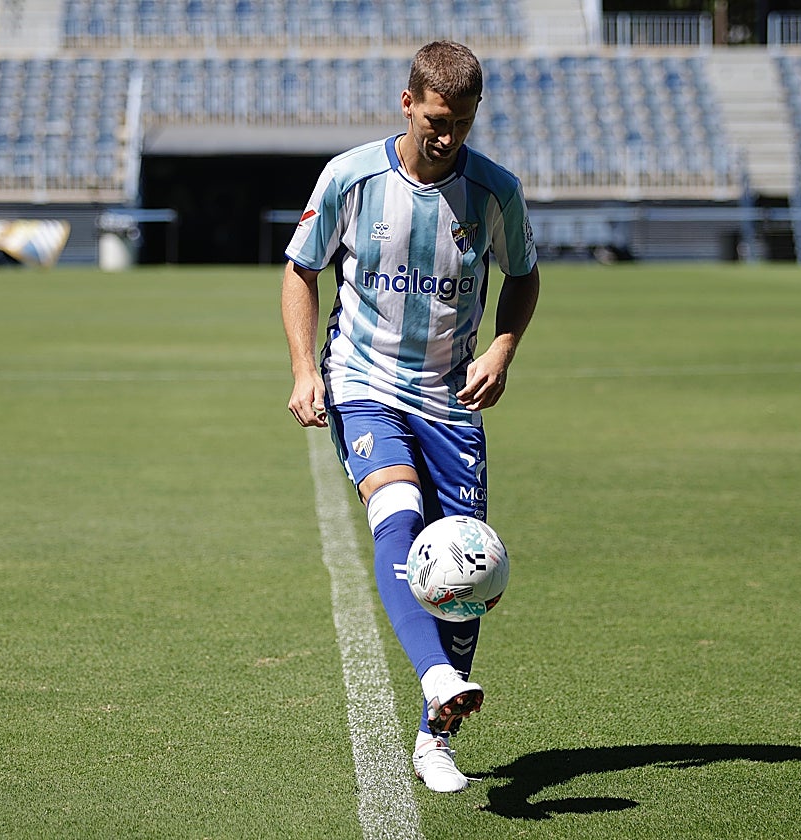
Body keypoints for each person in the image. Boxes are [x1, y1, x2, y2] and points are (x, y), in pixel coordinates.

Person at [281, 40, 539, 793]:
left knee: (468, 575)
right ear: (407, 102)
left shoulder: (495, 192)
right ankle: (435, 677)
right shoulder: (351, 177)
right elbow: (301, 268)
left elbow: (522, 275)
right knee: (396, 515)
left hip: (450, 397)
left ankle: (435, 741)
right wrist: (305, 370)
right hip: (363, 381)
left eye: (461, 121)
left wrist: (503, 348)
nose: (447, 136)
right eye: (435, 119)